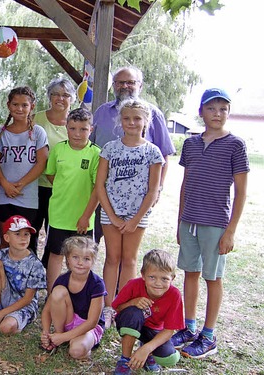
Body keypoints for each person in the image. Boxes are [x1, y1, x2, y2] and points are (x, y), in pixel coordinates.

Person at [170, 89, 249, 359]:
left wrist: (231, 231)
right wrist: (180, 219)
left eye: (223, 109)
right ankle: (189, 327)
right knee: (190, 272)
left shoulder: (235, 145)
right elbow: (186, 183)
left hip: (215, 222)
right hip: (189, 220)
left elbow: (241, 192)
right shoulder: (191, 144)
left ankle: (208, 334)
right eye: (212, 108)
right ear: (201, 111)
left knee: (212, 277)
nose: (218, 114)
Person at [95, 99, 164, 329]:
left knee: (129, 260)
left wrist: (135, 219)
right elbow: (100, 185)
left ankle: (123, 306)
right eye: (127, 118)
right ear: (120, 121)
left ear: (146, 121)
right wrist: (112, 216)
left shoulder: (152, 152)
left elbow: (153, 190)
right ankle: (107, 307)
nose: (132, 122)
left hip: (138, 215)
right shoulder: (110, 148)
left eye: (137, 118)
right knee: (112, 258)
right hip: (111, 212)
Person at [90, 66, 175, 243]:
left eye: (130, 82)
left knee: (128, 253)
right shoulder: (101, 112)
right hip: (102, 191)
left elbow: (164, 155)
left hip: (136, 198)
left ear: (140, 86)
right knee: (93, 241)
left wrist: (157, 189)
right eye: (120, 82)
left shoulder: (153, 114)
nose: (125, 86)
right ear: (113, 86)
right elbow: (89, 144)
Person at [42, 108, 100, 289]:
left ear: (91, 129)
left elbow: (98, 189)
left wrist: (85, 216)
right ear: (66, 128)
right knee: (56, 254)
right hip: (59, 215)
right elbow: (51, 175)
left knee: (81, 258)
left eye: (83, 129)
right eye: (73, 128)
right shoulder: (59, 149)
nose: (77, 133)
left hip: (83, 219)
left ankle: (78, 293)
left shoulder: (96, 154)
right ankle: (52, 295)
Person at [0, 86, 48, 250]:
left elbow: (41, 163)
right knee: (6, 240)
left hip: (27, 196)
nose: (20, 108)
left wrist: (21, 184)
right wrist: (5, 184)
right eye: (15, 104)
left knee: (24, 242)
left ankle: (22, 275)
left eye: (24, 105)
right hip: (3, 195)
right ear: (9, 105)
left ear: (32, 106)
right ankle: (3, 275)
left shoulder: (37, 132)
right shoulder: (0, 134)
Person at [112, 249, 184, 374]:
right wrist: (132, 302)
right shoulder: (133, 285)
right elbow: (116, 308)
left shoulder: (175, 295)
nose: (158, 283)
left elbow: (169, 330)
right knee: (133, 313)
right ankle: (125, 360)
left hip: (154, 330)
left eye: (164, 279)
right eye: (152, 277)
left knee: (170, 358)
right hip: (130, 323)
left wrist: (147, 348)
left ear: (172, 278)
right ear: (143, 275)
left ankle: (147, 355)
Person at [40, 237, 106, 359]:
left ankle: (69, 340)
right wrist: (45, 332)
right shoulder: (62, 279)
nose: (80, 263)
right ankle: (58, 335)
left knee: (76, 351)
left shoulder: (97, 284)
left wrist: (64, 337)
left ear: (93, 261)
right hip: (68, 320)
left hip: (88, 327)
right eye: (75, 257)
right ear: (68, 259)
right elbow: (47, 310)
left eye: (86, 259)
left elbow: (92, 322)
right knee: (58, 292)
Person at [0, 215, 47, 335]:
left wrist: (1, 315)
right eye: (17, 234)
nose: (23, 238)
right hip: (3, 297)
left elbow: (28, 299)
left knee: (6, 328)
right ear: (6, 237)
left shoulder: (35, 264)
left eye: (26, 234)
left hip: (23, 305)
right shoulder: (0, 255)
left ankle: (5, 317)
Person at [31, 77, 75, 256]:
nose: (60, 98)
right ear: (49, 97)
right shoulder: (36, 118)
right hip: (35, 185)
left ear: (72, 98)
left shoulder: (76, 124)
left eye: (65, 95)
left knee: (55, 234)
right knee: (31, 229)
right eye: (55, 94)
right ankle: (29, 267)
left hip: (62, 188)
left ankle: (48, 269)